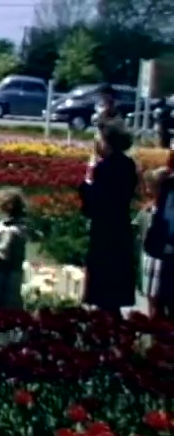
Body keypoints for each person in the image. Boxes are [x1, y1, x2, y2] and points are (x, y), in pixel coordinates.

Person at [79, 120, 137, 317]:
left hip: (105, 230)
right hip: (121, 227)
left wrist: (88, 180)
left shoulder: (105, 169)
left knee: (103, 283)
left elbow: (94, 203)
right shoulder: (128, 164)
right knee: (114, 284)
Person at [133, 167, 169, 317]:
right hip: (153, 257)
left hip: (157, 258)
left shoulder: (156, 209)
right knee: (155, 301)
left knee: (155, 301)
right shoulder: (151, 208)